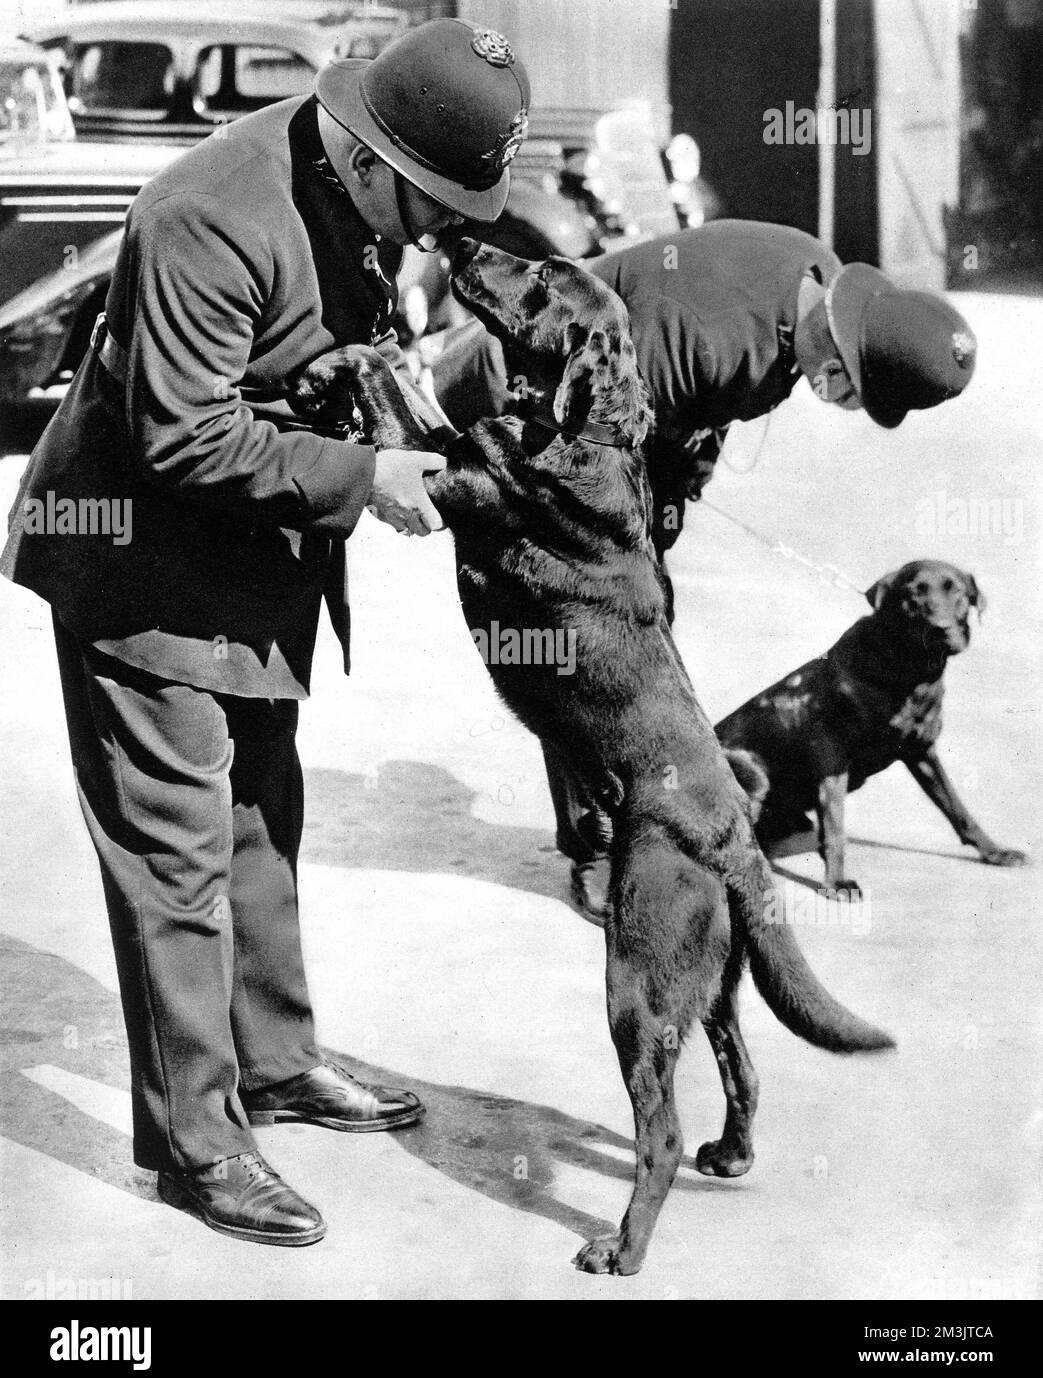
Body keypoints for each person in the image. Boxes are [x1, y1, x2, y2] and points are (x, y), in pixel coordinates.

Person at [1, 18, 530, 1247]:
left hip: (249, 564)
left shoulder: (354, 189)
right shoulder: (206, 212)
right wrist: (363, 475)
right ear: (367, 156)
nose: (445, 226)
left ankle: (277, 1061)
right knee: (176, 860)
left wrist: (403, 387)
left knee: (257, 826)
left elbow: (328, 342)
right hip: (140, 568)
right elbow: (178, 436)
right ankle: (196, 1142)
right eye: (436, 201)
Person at [431, 220, 978, 921]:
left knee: (645, 629)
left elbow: (690, 419)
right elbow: (589, 445)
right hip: (525, 397)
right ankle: (597, 848)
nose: (843, 408)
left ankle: (641, 819)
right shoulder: (711, 334)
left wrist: (673, 496)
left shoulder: (812, 282)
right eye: (854, 395)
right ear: (837, 361)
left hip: (638, 420)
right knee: (586, 649)